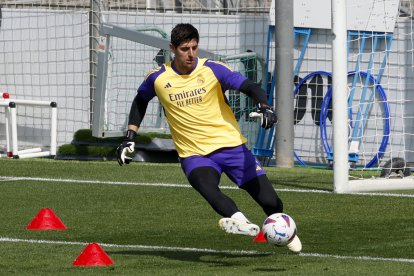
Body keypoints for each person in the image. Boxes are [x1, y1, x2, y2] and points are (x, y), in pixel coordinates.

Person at [116, 23, 302, 253]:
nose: (191, 54)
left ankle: (285, 231)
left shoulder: (213, 69)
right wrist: (130, 136)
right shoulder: (158, 78)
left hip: (231, 147)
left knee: (271, 202)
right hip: (194, 154)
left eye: (194, 47)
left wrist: (265, 106)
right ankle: (242, 222)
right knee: (209, 189)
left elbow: (250, 86)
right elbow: (140, 100)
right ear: (172, 48)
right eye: (185, 49)